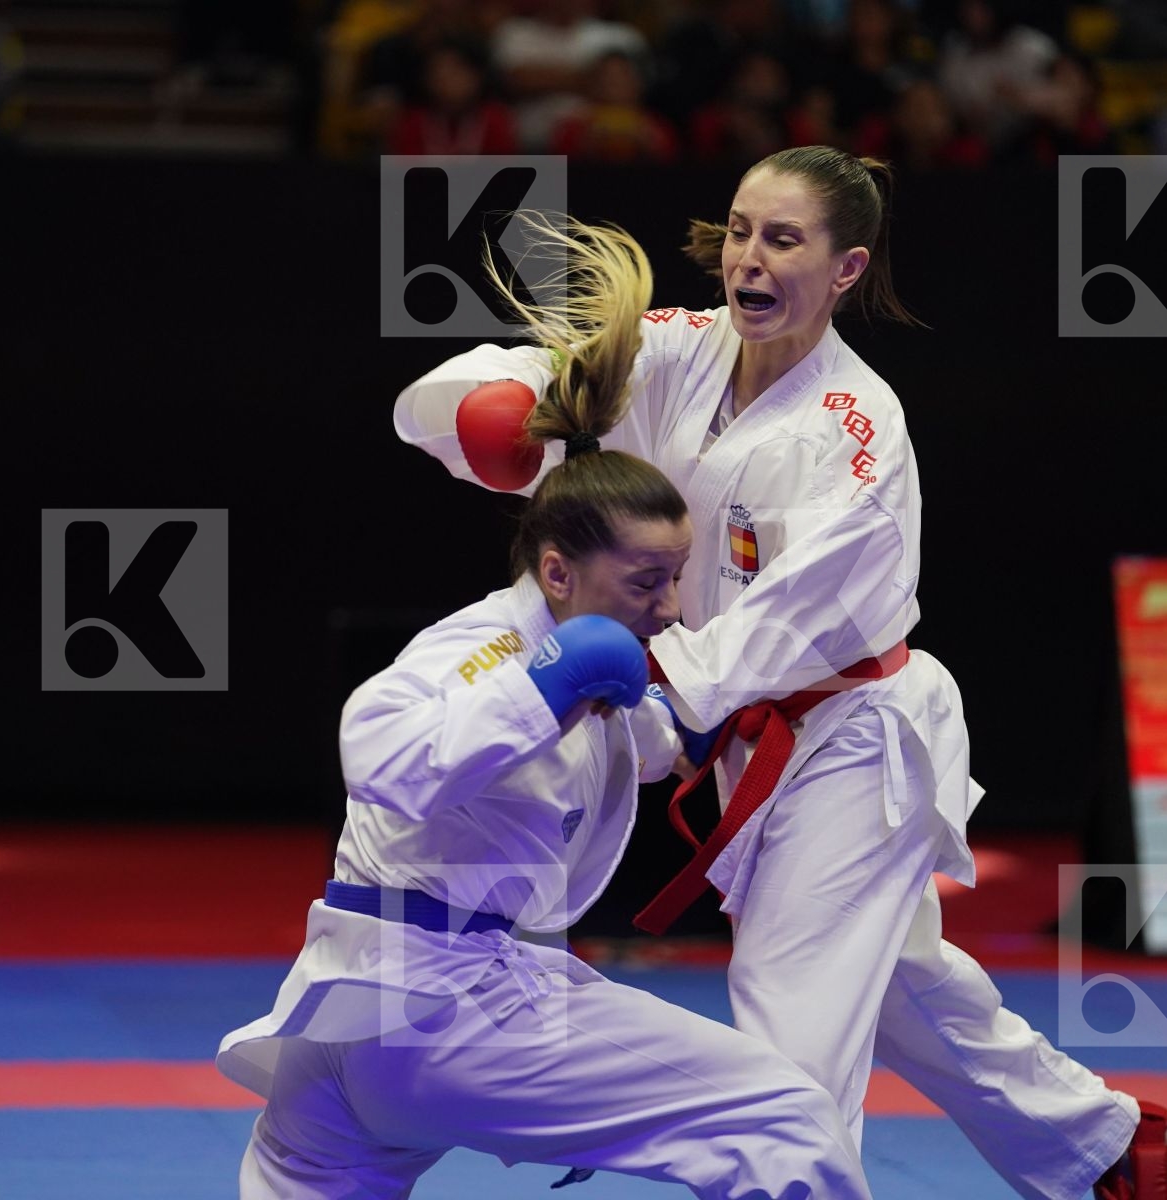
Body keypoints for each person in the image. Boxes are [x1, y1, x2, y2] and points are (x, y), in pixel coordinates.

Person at [392, 149, 1167, 1200]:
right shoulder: (675, 353)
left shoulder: (857, 435)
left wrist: (650, 706)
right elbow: (524, 379)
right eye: (736, 231)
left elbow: (782, 620)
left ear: (845, 266)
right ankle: (1105, 1147)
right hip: (755, 742)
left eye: (781, 239)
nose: (748, 260)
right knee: (900, 990)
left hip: (852, 742)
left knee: (787, 1029)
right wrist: (490, 405)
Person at [218, 222, 874, 1199]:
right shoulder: (488, 651)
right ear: (556, 570)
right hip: (445, 1012)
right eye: (648, 580)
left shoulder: (602, 667)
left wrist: (700, 709)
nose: (666, 605)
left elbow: (631, 745)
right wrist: (542, 689)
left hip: (354, 1024)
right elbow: (383, 757)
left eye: (673, 582)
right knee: (781, 1118)